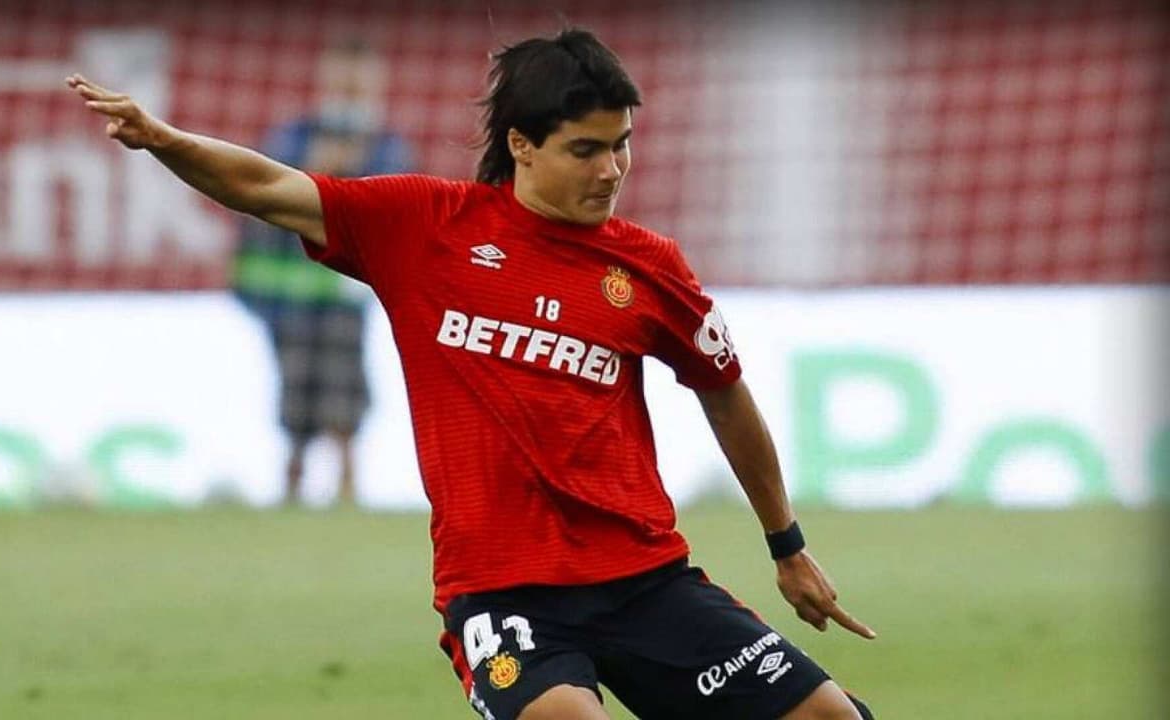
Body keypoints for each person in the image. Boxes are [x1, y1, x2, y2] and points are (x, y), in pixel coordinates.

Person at [67, 27, 876, 720]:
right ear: (521, 144)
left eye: (622, 143)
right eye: (586, 149)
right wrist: (164, 140)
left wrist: (787, 544)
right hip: (504, 595)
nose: (611, 170)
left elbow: (724, 391)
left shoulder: (649, 268)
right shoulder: (426, 227)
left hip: (646, 580)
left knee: (829, 716)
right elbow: (268, 187)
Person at [230, 41, 412, 506]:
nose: (349, 95)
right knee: (294, 395)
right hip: (290, 298)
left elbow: (395, 199)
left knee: (343, 394)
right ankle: (291, 488)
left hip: (344, 295)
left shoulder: (386, 146)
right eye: (342, 84)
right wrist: (316, 170)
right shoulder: (292, 138)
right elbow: (266, 191)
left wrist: (347, 174)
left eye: (357, 86)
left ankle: (348, 490)